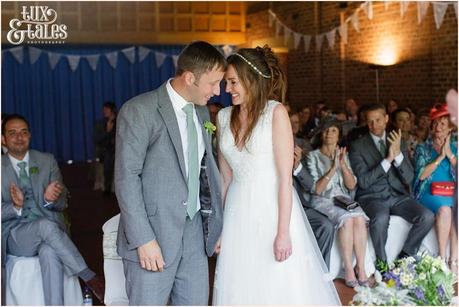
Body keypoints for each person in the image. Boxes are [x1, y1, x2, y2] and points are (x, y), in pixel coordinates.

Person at [213, 46, 340, 305]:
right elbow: (224, 179)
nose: (228, 89)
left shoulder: (275, 113)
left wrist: (283, 232)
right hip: (237, 212)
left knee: (274, 280)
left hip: (272, 209)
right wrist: (221, 229)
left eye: (233, 82)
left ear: (252, 79)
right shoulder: (224, 117)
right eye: (226, 82)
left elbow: (285, 178)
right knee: (241, 281)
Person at [115, 41, 225, 305]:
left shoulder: (201, 111)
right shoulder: (140, 110)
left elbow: (204, 172)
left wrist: (215, 225)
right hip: (154, 234)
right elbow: (126, 177)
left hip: (195, 234)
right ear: (189, 77)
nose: (218, 91)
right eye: (213, 83)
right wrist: (144, 239)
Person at [1, 114, 104, 305]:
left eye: (24, 132)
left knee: (49, 251)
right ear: (3, 139)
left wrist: (50, 199)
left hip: (49, 232)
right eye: (12, 133)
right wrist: (14, 206)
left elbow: (63, 200)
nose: (19, 137)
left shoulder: (46, 160)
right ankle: (89, 277)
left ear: (30, 136)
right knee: (45, 226)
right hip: (15, 234)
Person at [348, 103, 435, 270]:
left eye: (378, 120)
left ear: (386, 119)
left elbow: (409, 177)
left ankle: (405, 257)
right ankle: (382, 264)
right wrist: (388, 159)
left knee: (427, 216)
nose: (374, 125)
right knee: (380, 219)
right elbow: (364, 182)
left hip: (398, 196)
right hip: (372, 197)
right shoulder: (357, 146)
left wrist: (399, 156)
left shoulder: (398, 140)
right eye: (370, 121)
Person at [307, 119, 369, 287]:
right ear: (321, 134)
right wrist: (333, 168)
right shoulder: (312, 156)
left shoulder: (343, 154)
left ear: (339, 135)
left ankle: (361, 268)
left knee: (359, 218)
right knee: (347, 220)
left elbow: (351, 185)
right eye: (326, 131)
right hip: (323, 199)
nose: (329, 134)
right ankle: (348, 268)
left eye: (333, 130)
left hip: (342, 198)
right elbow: (317, 189)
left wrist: (342, 164)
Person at [413, 104, 457, 272]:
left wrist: (450, 155)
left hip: (452, 191)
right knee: (446, 210)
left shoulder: (456, 148)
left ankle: (454, 259)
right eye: (435, 124)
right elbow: (421, 175)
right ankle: (441, 257)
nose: (438, 128)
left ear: (450, 129)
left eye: (442, 124)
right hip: (429, 191)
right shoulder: (422, 148)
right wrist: (440, 157)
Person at [292, 142, 334, 268]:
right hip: (274, 208)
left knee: (326, 225)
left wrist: (297, 165)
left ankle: (322, 273)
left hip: (298, 207)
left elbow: (311, 186)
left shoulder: (291, 151)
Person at [94, 102, 117, 194]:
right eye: (104, 110)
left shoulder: (119, 121)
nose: (104, 112)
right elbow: (97, 139)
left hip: (118, 150)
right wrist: (107, 131)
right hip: (106, 150)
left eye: (107, 110)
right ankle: (107, 188)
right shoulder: (100, 124)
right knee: (108, 160)